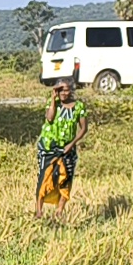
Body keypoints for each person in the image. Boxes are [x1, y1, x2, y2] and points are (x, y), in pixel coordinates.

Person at [35, 80, 88, 220]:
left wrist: (72, 144)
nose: (63, 93)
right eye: (60, 90)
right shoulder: (53, 103)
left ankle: (59, 211)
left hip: (67, 149)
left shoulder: (79, 107)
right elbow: (49, 118)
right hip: (49, 147)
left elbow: (83, 129)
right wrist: (53, 99)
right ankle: (39, 212)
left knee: (65, 180)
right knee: (44, 178)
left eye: (66, 90)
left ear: (71, 90)